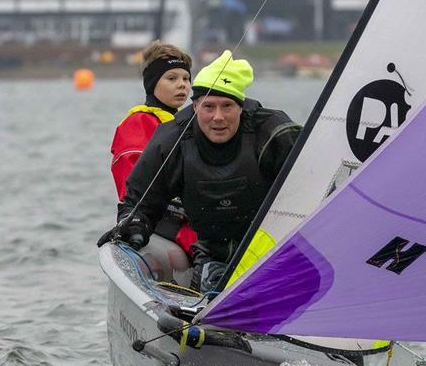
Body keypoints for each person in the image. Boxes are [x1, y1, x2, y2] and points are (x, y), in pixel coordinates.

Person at [100, 50, 301, 291]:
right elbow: (140, 201)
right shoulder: (171, 139)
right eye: (209, 107)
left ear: (241, 107)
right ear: (195, 106)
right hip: (212, 255)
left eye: (227, 106)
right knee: (210, 286)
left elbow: (317, 186)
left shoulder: (273, 131)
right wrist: (132, 225)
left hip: (274, 253)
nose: (218, 117)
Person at [109, 41, 197, 254]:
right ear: (152, 83)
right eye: (171, 78)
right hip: (160, 222)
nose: (182, 85)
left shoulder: (189, 123)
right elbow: (131, 184)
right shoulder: (139, 123)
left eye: (186, 78)